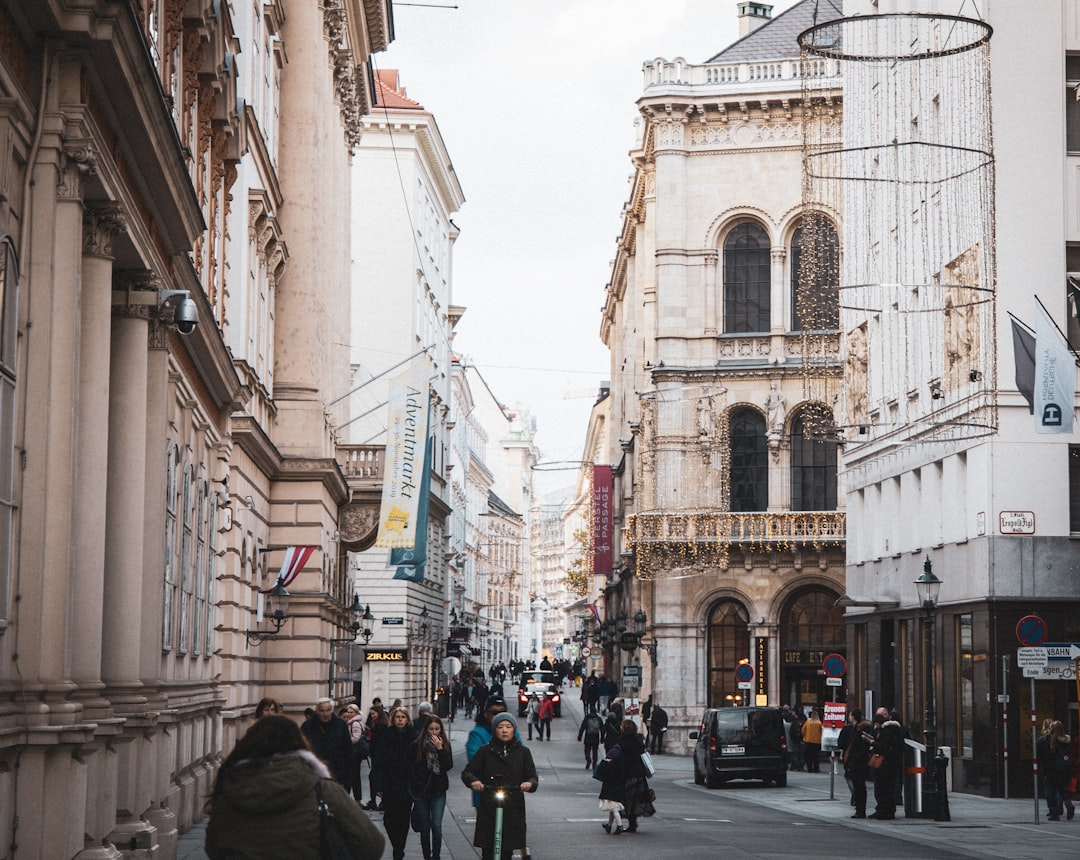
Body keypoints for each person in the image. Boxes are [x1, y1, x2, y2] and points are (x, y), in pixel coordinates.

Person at [204, 715, 385, 859]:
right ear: (299, 743)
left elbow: (213, 847)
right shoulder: (323, 790)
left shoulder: (230, 790)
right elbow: (371, 845)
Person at [461, 713, 538, 860]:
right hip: (489, 806)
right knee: (488, 850)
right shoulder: (485, 751)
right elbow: (468, 772)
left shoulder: (523, 753)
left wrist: (529, 784)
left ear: (513, 730)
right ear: (494, 729)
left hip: (512, 806)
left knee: (507, 849)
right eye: (500, 727)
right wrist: (474, 781)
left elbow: (532, 777)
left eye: (508, 727)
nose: (504, 730)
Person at [409, 714, 453, 860]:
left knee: (436, 825)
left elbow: (448, 766)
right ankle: (427, 856)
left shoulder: (445, 744)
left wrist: (440, 749)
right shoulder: (418, 745)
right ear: (426, 730)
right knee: (425, 827)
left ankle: (436, 856)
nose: (434, 732)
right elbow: (412, 767)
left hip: (438, 791)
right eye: (431, 729)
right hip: (422, 791)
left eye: (437, 729)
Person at [375, 706, 415, 860]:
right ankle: (397, 845)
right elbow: (378, 762)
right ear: (393, 719)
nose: (400, 720)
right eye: (397, 717)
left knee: (403, 819)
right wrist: (378, 785)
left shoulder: (413, 736)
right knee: (389, 819)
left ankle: (399, 849)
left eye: (403, 717)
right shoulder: (386, 736)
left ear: (407, 719)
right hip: (389, 784)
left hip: (406, 785)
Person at [466, 693, 515, 809]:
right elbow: (474, 762)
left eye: (502, 713)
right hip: (486, 790)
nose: (498, 716)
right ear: (486, 714)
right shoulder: (477, 734)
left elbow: (521, 757)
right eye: (494, 713)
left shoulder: (513, 734)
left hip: (510, 790)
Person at [301, 697, 353, 792]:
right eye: (322, 711)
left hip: (337, 775)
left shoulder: (341, 725)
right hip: (314, 776)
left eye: (328, 710)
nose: (325, 714)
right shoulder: (307, 726)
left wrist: (346, 780)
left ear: (332, 710)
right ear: (317, 710)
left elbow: (348, 752)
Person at [869, 708, 903, 820]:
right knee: (886, 789)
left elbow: (883, 747)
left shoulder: (887, 732)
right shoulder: (894, 731)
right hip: (890, 763)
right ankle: (884, 810)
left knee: (884, 789)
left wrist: (873, 743)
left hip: (886, 764)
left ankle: (886, 811)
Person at [1038, 719, 1074, 821]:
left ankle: (1054, 812)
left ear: (1051, 728)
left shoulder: (1043, 741)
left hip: (1050, 770)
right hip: (1064, 770)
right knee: (1061, 789)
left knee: (1050, 790)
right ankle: (1067, 802)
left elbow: (1041, 757)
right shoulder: (1066, 741)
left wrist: (1042, 771)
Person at [843, 715, 874, 819]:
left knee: (859, 787)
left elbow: (856, 749)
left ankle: (860, 810)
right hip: (859, 763)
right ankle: (860, 809)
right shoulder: (862, 731)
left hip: (857, 763)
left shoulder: (860, 733)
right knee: (859, 787)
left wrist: (852, 760)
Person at [365, 707, 390, 810]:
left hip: (378, 756)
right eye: (371, 714)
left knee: (374, 778)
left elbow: (375, 742)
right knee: (376, 778)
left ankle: (375, 801)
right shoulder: (383, 725)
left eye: (373, 714)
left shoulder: (379, 727)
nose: (372, 716)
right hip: (380, 756)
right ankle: (377, 801)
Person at [344, 703, 369, 804]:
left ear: (356, 713)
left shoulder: (354, 723)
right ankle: (356, 800)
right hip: (355, 753)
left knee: (352, 777)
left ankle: (355, 800)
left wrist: (345, 740)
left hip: (354, 753)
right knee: (354, 777)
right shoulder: (353, 722)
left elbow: (356, 738)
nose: (349, 714)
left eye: (352, 712)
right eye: (348, 712)